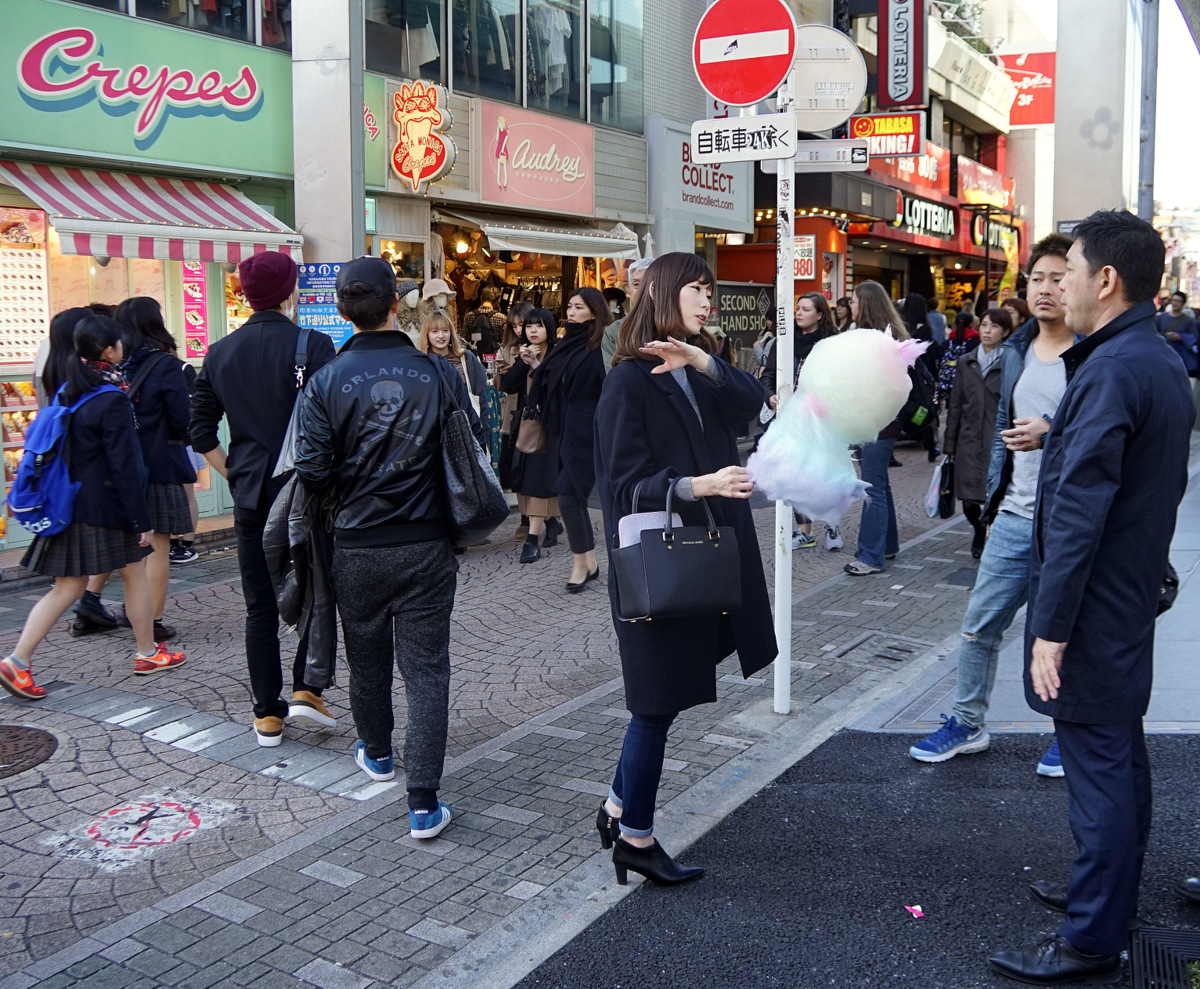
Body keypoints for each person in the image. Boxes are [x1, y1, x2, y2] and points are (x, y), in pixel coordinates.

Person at [988, 212, 1194, 986]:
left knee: (1099, 764)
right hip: (1126, 594)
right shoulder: (1151, 356)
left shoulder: (1110, 367)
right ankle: (1104, 903)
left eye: (1068, 270)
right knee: (1119, 755)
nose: (1058, 284)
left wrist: (1050, 626)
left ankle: (1092, 939)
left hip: (1098, 602)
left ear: (1106, 280)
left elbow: (1079, 508)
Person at [594, 252, 776, 885]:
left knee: (664, 698)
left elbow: (755, 403)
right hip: (656, 560)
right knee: (654, 701)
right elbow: (620, 484)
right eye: (698, 290)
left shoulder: (695, 370)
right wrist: (696, 485)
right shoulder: (627, 381)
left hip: (699, 559)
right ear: (667, 293)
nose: (708, 302)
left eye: (711, 292)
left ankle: (619, 808)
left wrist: (703, 361)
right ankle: (635, 840)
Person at [294, 256, 486, 840]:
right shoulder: (436, 373)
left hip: (355, 542)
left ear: (345, 310)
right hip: (426, 539)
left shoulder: (326, 380)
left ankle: (376, 753)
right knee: (427, 670)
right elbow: (468, 447)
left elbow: (310, 465)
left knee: (368, 658)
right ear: (394, 306)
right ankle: (423, 801)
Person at [909, 233, 1078, 772]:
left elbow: (1103, 433)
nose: (1046, 289)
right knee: (980, 623)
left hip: (1067, 521)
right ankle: (966, 721)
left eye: (1058, 278)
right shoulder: (1016, 351)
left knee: (1061, 632)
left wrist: (1052, 431)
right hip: (1013, 513)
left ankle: (1070, 732)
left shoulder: (1096, 353)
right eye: (1038, 279)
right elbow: (1002, 425)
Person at [190, 250, 337, 747]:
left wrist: (233, 471)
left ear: (243, 294)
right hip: (304, 492)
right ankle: (305, 689)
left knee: (258, 607)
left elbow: (200, 430)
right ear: (291, 290)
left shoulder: (220, 351)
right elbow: (333, 422)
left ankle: (266, 715)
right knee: (315, 589)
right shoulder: (313, 345)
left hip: (251, 494)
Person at [0, 315, 185, 700]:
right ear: (108, 350)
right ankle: (147, 653)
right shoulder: (110, 398)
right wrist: (141, 518)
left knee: (70, 586)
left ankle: (18, 661)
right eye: (118, 342)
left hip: (72, 502)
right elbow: (125, 465)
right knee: (129, 574)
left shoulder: (70, 389)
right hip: (104, 507)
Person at [106, 297, 196, 640]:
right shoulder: (165, 365)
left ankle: (135, 612)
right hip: (159, 464)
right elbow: (181, 417)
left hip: (121, 467)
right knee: (158, 546)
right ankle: (152, 620)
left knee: (132, 548)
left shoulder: (113, 365)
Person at [536, 286, 611, 591]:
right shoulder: (565, 343)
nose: (571, 312)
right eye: (569, 306)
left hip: (588, 431)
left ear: (594, 311)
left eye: (579, 307)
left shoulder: (601, 344)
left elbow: (610, 388)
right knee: (569, 495)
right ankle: (588, 561)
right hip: (561, 429)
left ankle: (582, 563)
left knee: (568, 493)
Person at [766, 292, 842, 551]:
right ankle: (804, 532)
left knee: (823, 475)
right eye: (797, 308)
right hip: (791, 419)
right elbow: (767, 374)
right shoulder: (783, 342)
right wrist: (770, 396)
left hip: (823, 420)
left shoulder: (831, 343)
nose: (799, 313)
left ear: (820, 314)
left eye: (805, 309)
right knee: (797, 476)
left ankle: (832, 523)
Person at [843, 281, 909, 576]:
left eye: (855, 301)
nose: (850, 306)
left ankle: (870, 556)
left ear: (866, 304)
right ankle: (888, 544)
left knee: (871, 488)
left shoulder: (874, 339)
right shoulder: (890, 335)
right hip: (882, 421)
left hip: (875, 422)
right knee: (880, 483)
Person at [943, 307, 1013, 559]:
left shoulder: (1011, 361)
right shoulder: (966, 361)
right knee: (969, 497)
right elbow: (956, 403)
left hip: (998, 437)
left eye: (994, 326)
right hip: (968, 438)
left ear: (1005, 331)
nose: (987, 330)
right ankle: (978, 527)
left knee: (995, 493)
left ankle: (991, 535)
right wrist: (949, 442)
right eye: (984, 324)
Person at [502, 309, 563, 562]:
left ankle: (532, 539)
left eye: (538, 326)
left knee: (538, 480)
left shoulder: (559, 355)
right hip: (526, 426)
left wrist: (538, 366)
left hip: (550, 428)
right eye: (529, 326)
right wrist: (522, 362)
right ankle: (551, 523)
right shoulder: (523, 353)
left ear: (549, 328)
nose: (532, 331)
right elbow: (508, 386)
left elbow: (556, 391)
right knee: (524, 479)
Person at [495, 301, 534, 534]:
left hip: (536, 416)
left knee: (535, 468)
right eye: (515, 325)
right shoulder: (506, 349)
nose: (519, 330)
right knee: (515, 469)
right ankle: (525, 518)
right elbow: (505, 385)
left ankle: (546, 516)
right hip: (512, 417)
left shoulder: (546, 347)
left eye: (523, 324)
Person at [417, 310, 489, 426]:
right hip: (435, 427)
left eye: (445, 330)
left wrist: (483, 432)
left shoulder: (466, 358)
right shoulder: (422, 362)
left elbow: (481, 398)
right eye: (435, 331)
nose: (441, 336)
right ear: (427, 334)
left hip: (467, 422)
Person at [901, 293, 941, 462]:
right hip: (921, 378)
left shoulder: (901, 328)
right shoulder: (925, 328)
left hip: (904, 375)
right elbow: (931, 355)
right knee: (923, 409)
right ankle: (930, 446)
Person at [602, 258, 652, 372]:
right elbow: (614, 378)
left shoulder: (676, 326)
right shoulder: (614, 332)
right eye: (636, 284)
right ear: (629, 288)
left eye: (648, 283)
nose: (642, 290)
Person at [938, 311, 979, 405]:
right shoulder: (976, 343)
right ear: (972, 324)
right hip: (969, 386)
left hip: (950, 386)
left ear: (955, 324)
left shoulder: (947, 343)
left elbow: (941, 362)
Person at [1154, 290, 1199, 376]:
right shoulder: (1161, 318)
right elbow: (1154, 333)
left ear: (1183, 303)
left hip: (1181, 358)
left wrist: (1181, 337)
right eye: (1174, 300)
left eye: (1178, 301)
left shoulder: (1189, 321)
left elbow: (1196, 337)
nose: (1175, 303)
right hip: (1162, 355)